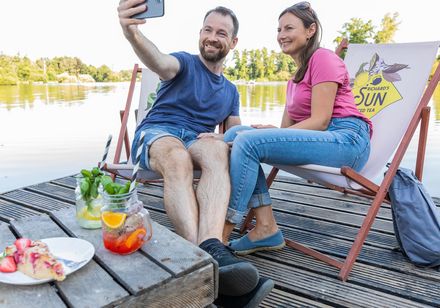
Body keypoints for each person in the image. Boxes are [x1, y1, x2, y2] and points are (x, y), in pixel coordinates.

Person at [117, 1, 274, 305]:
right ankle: (208, 257)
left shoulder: (230, 91)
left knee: (217, 150)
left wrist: (240, 135)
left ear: (233, 42)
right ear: (200, 33)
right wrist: (132, 34)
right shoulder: (184, 63)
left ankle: (211, 253)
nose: (212, 37)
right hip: (158, 133)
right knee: (177, 158)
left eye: (221, 32)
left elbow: (233, 135)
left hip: (197, 139)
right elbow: (160, 62)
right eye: (207, 29)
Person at [222, 2, 373, 256]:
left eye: (289, 28)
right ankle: (266, 227)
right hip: (322, 139)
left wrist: (260, 137)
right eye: (279, 29)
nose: (281, 35)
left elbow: (321, 120)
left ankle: (221, 233)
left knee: (247, 141)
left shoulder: (323, 58)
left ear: (310, 30)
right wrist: (267, 131)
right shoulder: (293, 82)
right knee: (235, 134)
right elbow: (285, 131)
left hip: (347, 139)